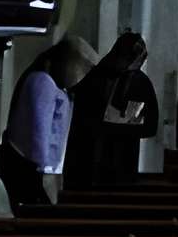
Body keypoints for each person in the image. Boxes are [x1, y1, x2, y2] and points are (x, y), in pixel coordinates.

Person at [0, 35, 93, 214]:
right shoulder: (43, 82)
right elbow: (39, 130)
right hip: (30, 164)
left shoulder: (49, 83)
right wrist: (44, 171)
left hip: (34, 164)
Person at [64, 32, 159, 194]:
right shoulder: (98, 75)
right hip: (87, 157)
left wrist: (115, 127)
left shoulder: (140, 84)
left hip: (121, 161)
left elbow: (151, 127)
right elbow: (78, 108)